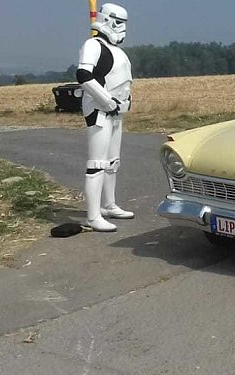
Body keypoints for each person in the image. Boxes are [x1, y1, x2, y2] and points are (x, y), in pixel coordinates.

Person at [76, 2, 135, 232]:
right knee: (97, 163)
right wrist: (107, 101)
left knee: (112, 161)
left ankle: (108, 204)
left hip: (116, 112)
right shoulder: (93, 44)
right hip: (99, 111)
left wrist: (122, 104)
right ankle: (93, 215)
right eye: (118, 22)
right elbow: (83, 74)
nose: (121, 28)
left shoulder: (116, 50)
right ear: (107, 19)